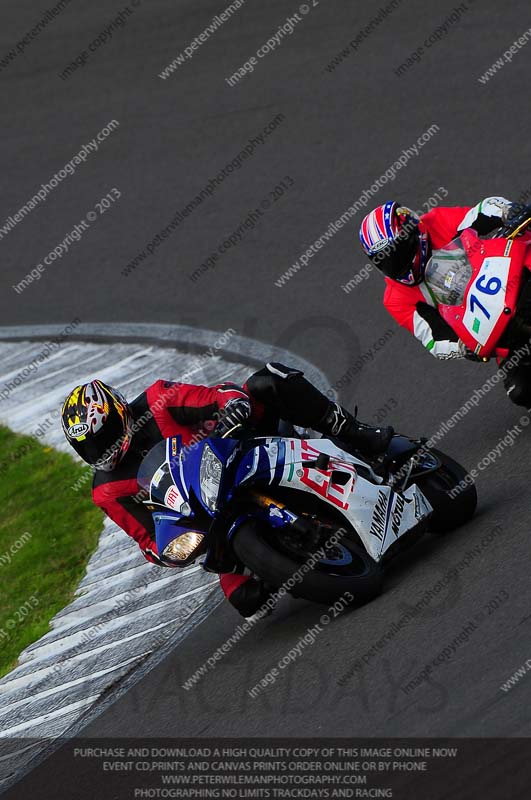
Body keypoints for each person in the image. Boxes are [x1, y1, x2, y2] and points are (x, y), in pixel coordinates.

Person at [61, 364, 393, 617]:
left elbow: (215, 396)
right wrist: (167, 548)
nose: (102, 450)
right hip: (208, 517)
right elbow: (148, 541)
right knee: (245, 599)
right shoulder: (106, 491)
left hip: (241, 451)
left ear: (121, 413)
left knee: (267, 381)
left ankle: (358, 434)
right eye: (90, 448)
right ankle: (292, 562)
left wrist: (231, 406)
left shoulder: (156, 400)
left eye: (105, 438)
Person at [359, 197, 531, 404]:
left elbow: (481, 212)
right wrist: (461, 347)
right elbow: (433, 338)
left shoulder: (437, 221)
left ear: (413, 234)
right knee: (521, 391)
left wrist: (506, 211)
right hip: (493, 323)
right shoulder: (395, 298)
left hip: (508, 278)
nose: (395, 262)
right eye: (385, 259)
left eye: (398, 251)